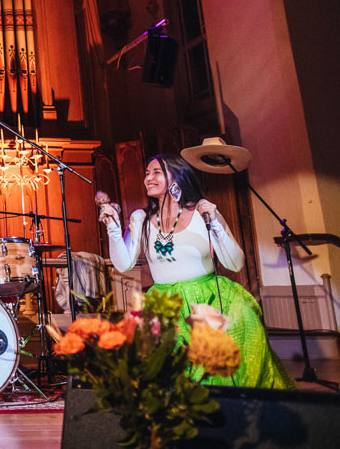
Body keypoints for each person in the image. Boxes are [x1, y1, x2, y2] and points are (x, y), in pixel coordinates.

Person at [99, 154, 295, 388]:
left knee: (242, 318)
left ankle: (238, 406)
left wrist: (215, 224)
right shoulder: (141, 218)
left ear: (176, 178)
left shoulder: (202, 213)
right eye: (146, 173)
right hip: (165, 302)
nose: (148, 178)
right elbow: (123, 263)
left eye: (156, 172)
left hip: (208, 296)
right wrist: (112, 227)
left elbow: (235, 263)